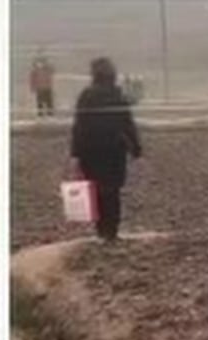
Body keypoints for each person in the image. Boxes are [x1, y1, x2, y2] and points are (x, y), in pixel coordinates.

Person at [70, 57, 142, 242]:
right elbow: (127, 124)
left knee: (97, 190)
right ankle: (112, 231)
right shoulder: (118, 95)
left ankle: (101, 230)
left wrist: (75, 153)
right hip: (114, 150)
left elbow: (79, 125)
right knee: (113, 191)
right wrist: (135, 147)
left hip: (90, 150)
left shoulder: (86, 96)